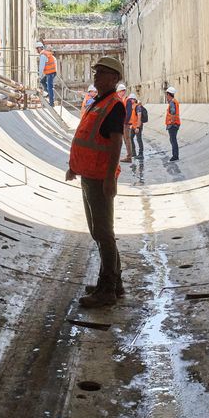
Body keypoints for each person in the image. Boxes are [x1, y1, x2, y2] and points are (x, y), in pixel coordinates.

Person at [65, 56, 127, 308]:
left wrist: (110, 178)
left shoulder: (114, 105)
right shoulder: (98, 102)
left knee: (103, 233)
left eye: (102, 73)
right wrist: (74, 167)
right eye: (96, 72)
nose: (96, 76)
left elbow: (115, 144)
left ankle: (107, 289)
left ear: (114, 79)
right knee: (99, 232)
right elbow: (87, 137)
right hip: (89, 174)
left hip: (101, 177)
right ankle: (115, 282)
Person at [37, 42, 57, 107]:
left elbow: (41, 66)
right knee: (43, 81)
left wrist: (39, 76)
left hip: (50, 73)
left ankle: (51, 103)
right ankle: (48, 93)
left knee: (49, 87)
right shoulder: (47, 53)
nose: (36, 50)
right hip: (52, 72)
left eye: (37, 49)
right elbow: (54, 59)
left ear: (39, 48)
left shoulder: (43, 55)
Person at [128, 88, 145, 162]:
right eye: (130, 99)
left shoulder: (137, 107)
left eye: (131, 99)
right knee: (130, 138)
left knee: (139, 139)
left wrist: (138, 127)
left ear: (134, 99)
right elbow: (132, 118)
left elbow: (139, 117)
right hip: (133, 126)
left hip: (138, 126)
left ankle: (141, 154)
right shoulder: (131, 107)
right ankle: (134, 153)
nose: (130, 100)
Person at [165, 86, 181, 161]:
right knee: (172, 140)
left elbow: (173, 113)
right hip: (176, 124)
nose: (166, 96)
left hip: (173, 124)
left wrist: (171, 122)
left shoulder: (172, 102)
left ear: (169, 94)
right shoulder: (175, 101)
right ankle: (175, 155)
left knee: (173, 140)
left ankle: (175, 156)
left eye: (166, 95)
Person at [116, 82, 131, 163]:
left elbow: (128, 113)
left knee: (127, 140)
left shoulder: (127, 100)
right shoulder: (122, 100)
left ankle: (129, 157)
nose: (118, 94)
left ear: (122, 91)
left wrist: (125, 122)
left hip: (125, 124)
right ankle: (128, 156)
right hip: (122, 123)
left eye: (119, 92)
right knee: (123, 140)